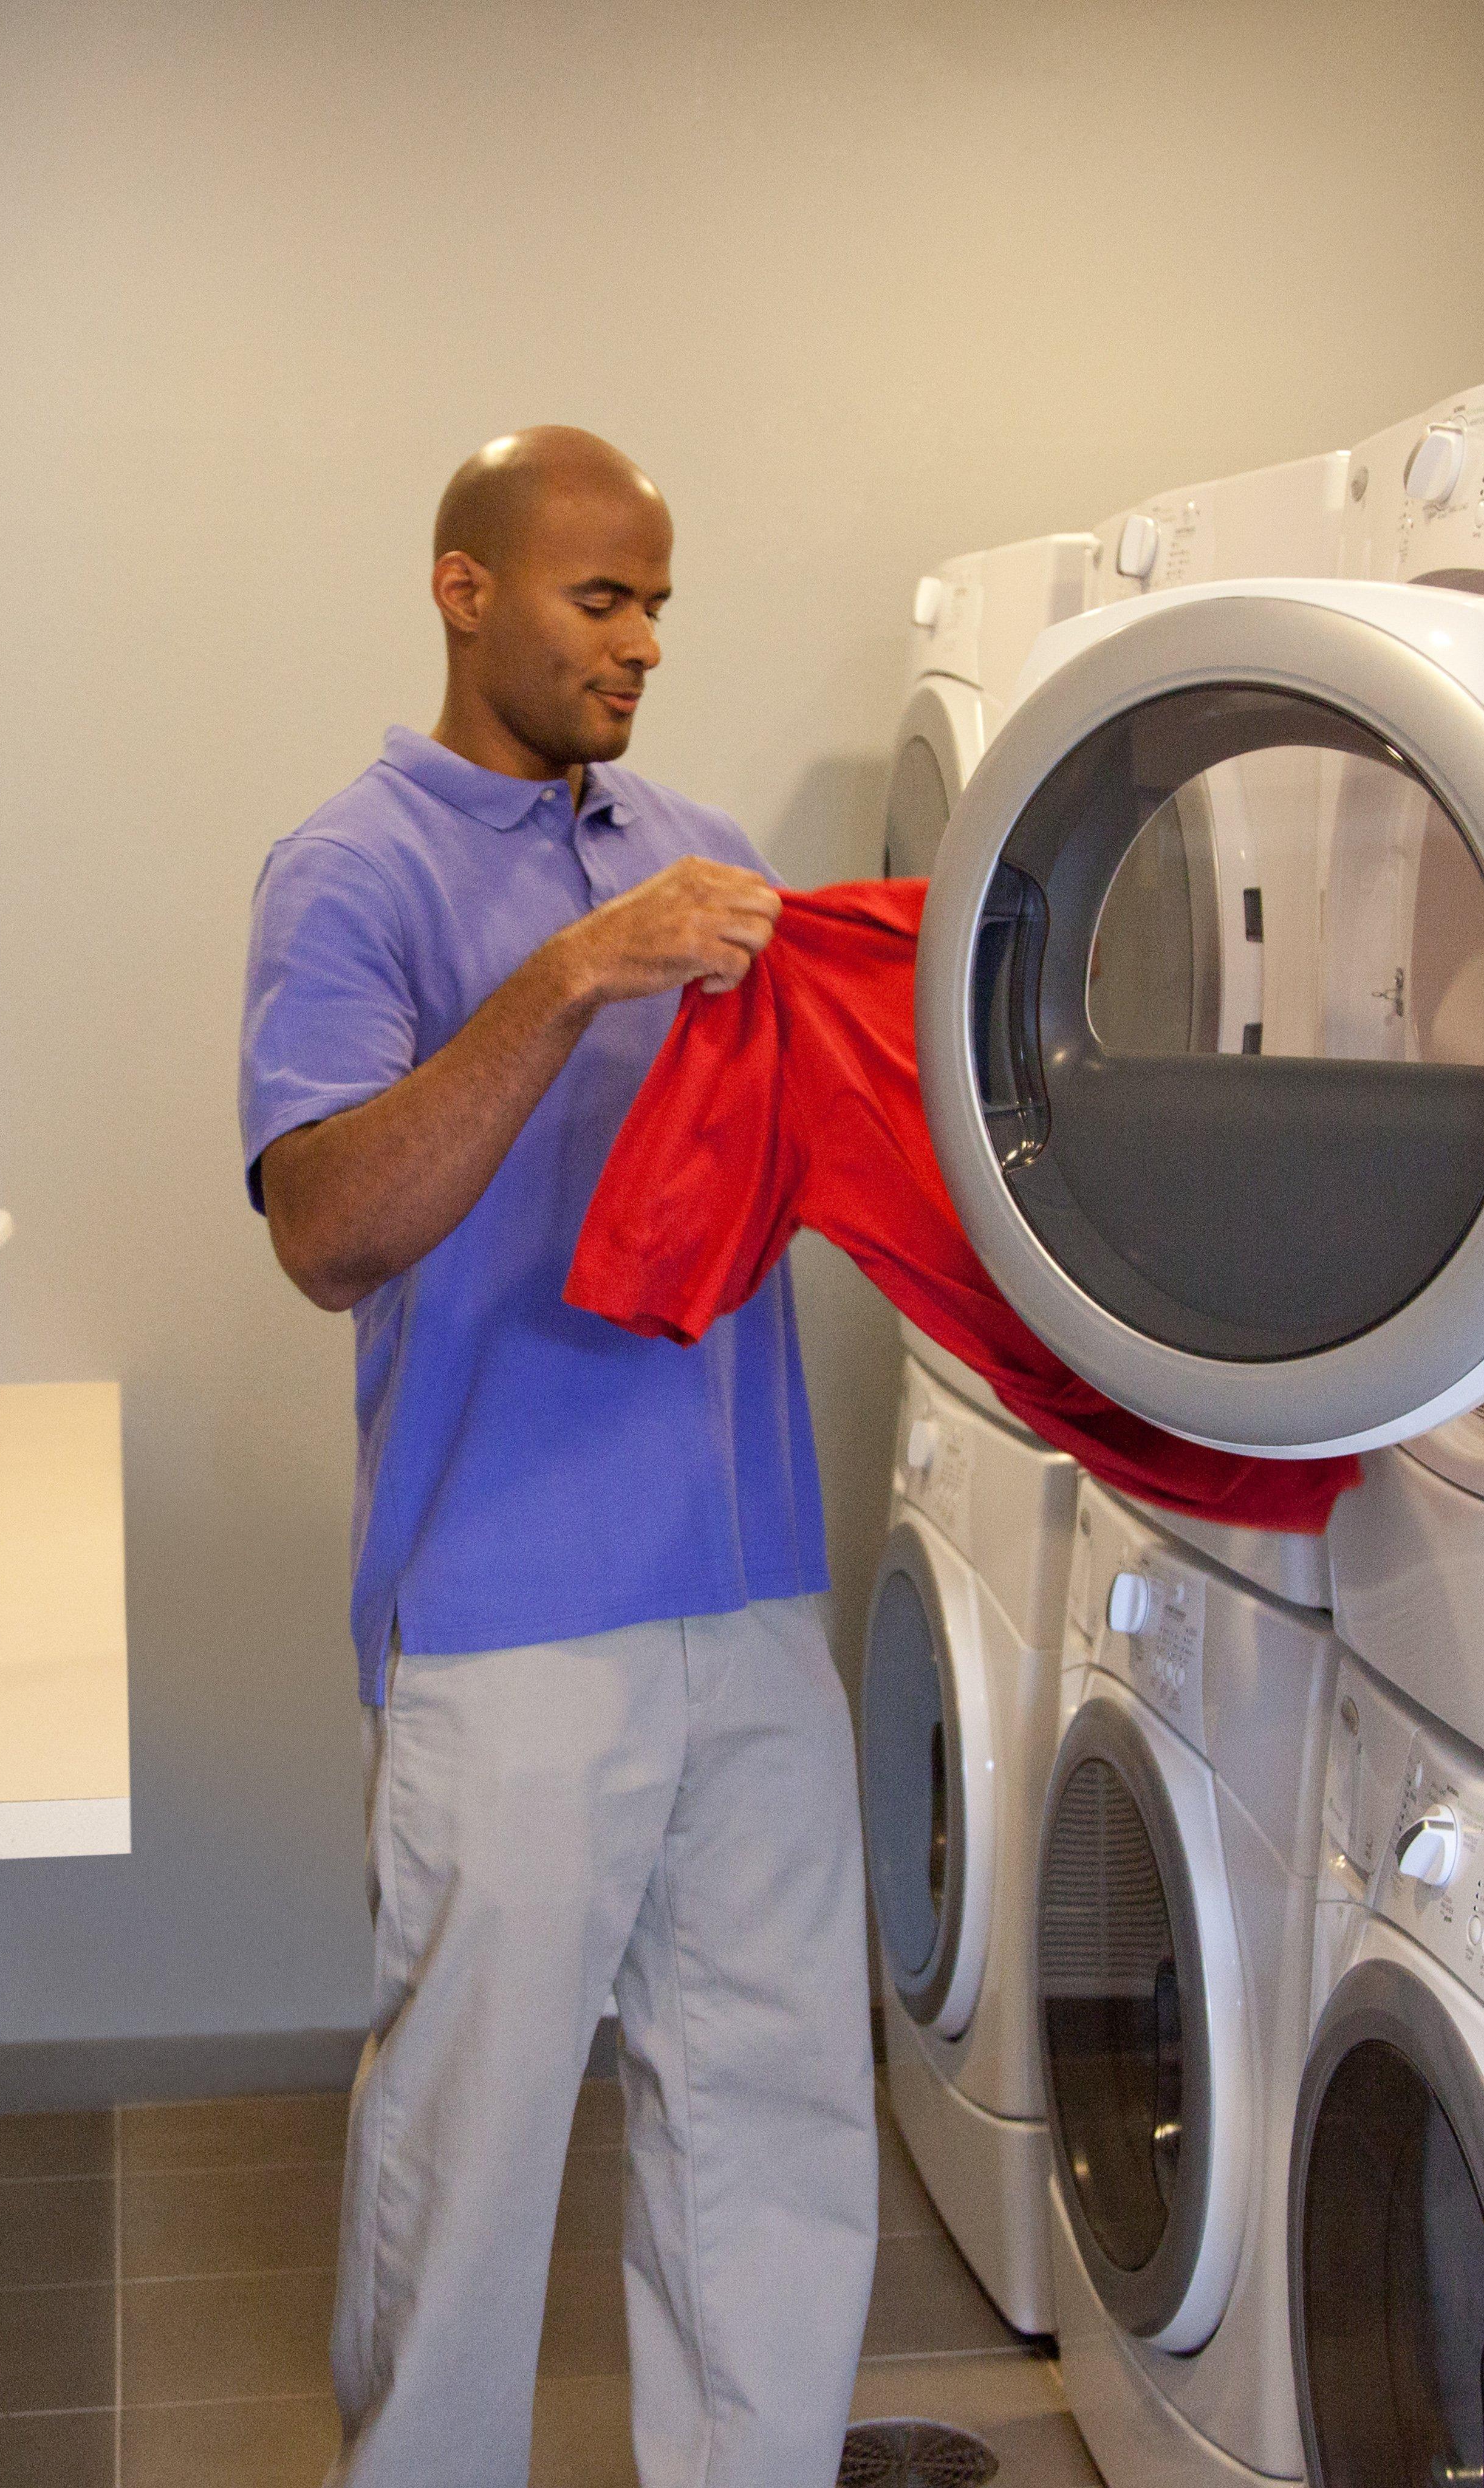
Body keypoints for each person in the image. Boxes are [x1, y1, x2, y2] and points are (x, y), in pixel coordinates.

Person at [236, 428, 875, 2487]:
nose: (644, 644)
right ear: (465, 590)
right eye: (604, 599)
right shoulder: (355, 871)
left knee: (774, 2113)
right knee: (473, 2147)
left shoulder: (697, 847)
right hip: (510, 1617)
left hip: (755, 1590)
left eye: (661, 603)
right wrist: (575, 972)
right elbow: (329, 1229)